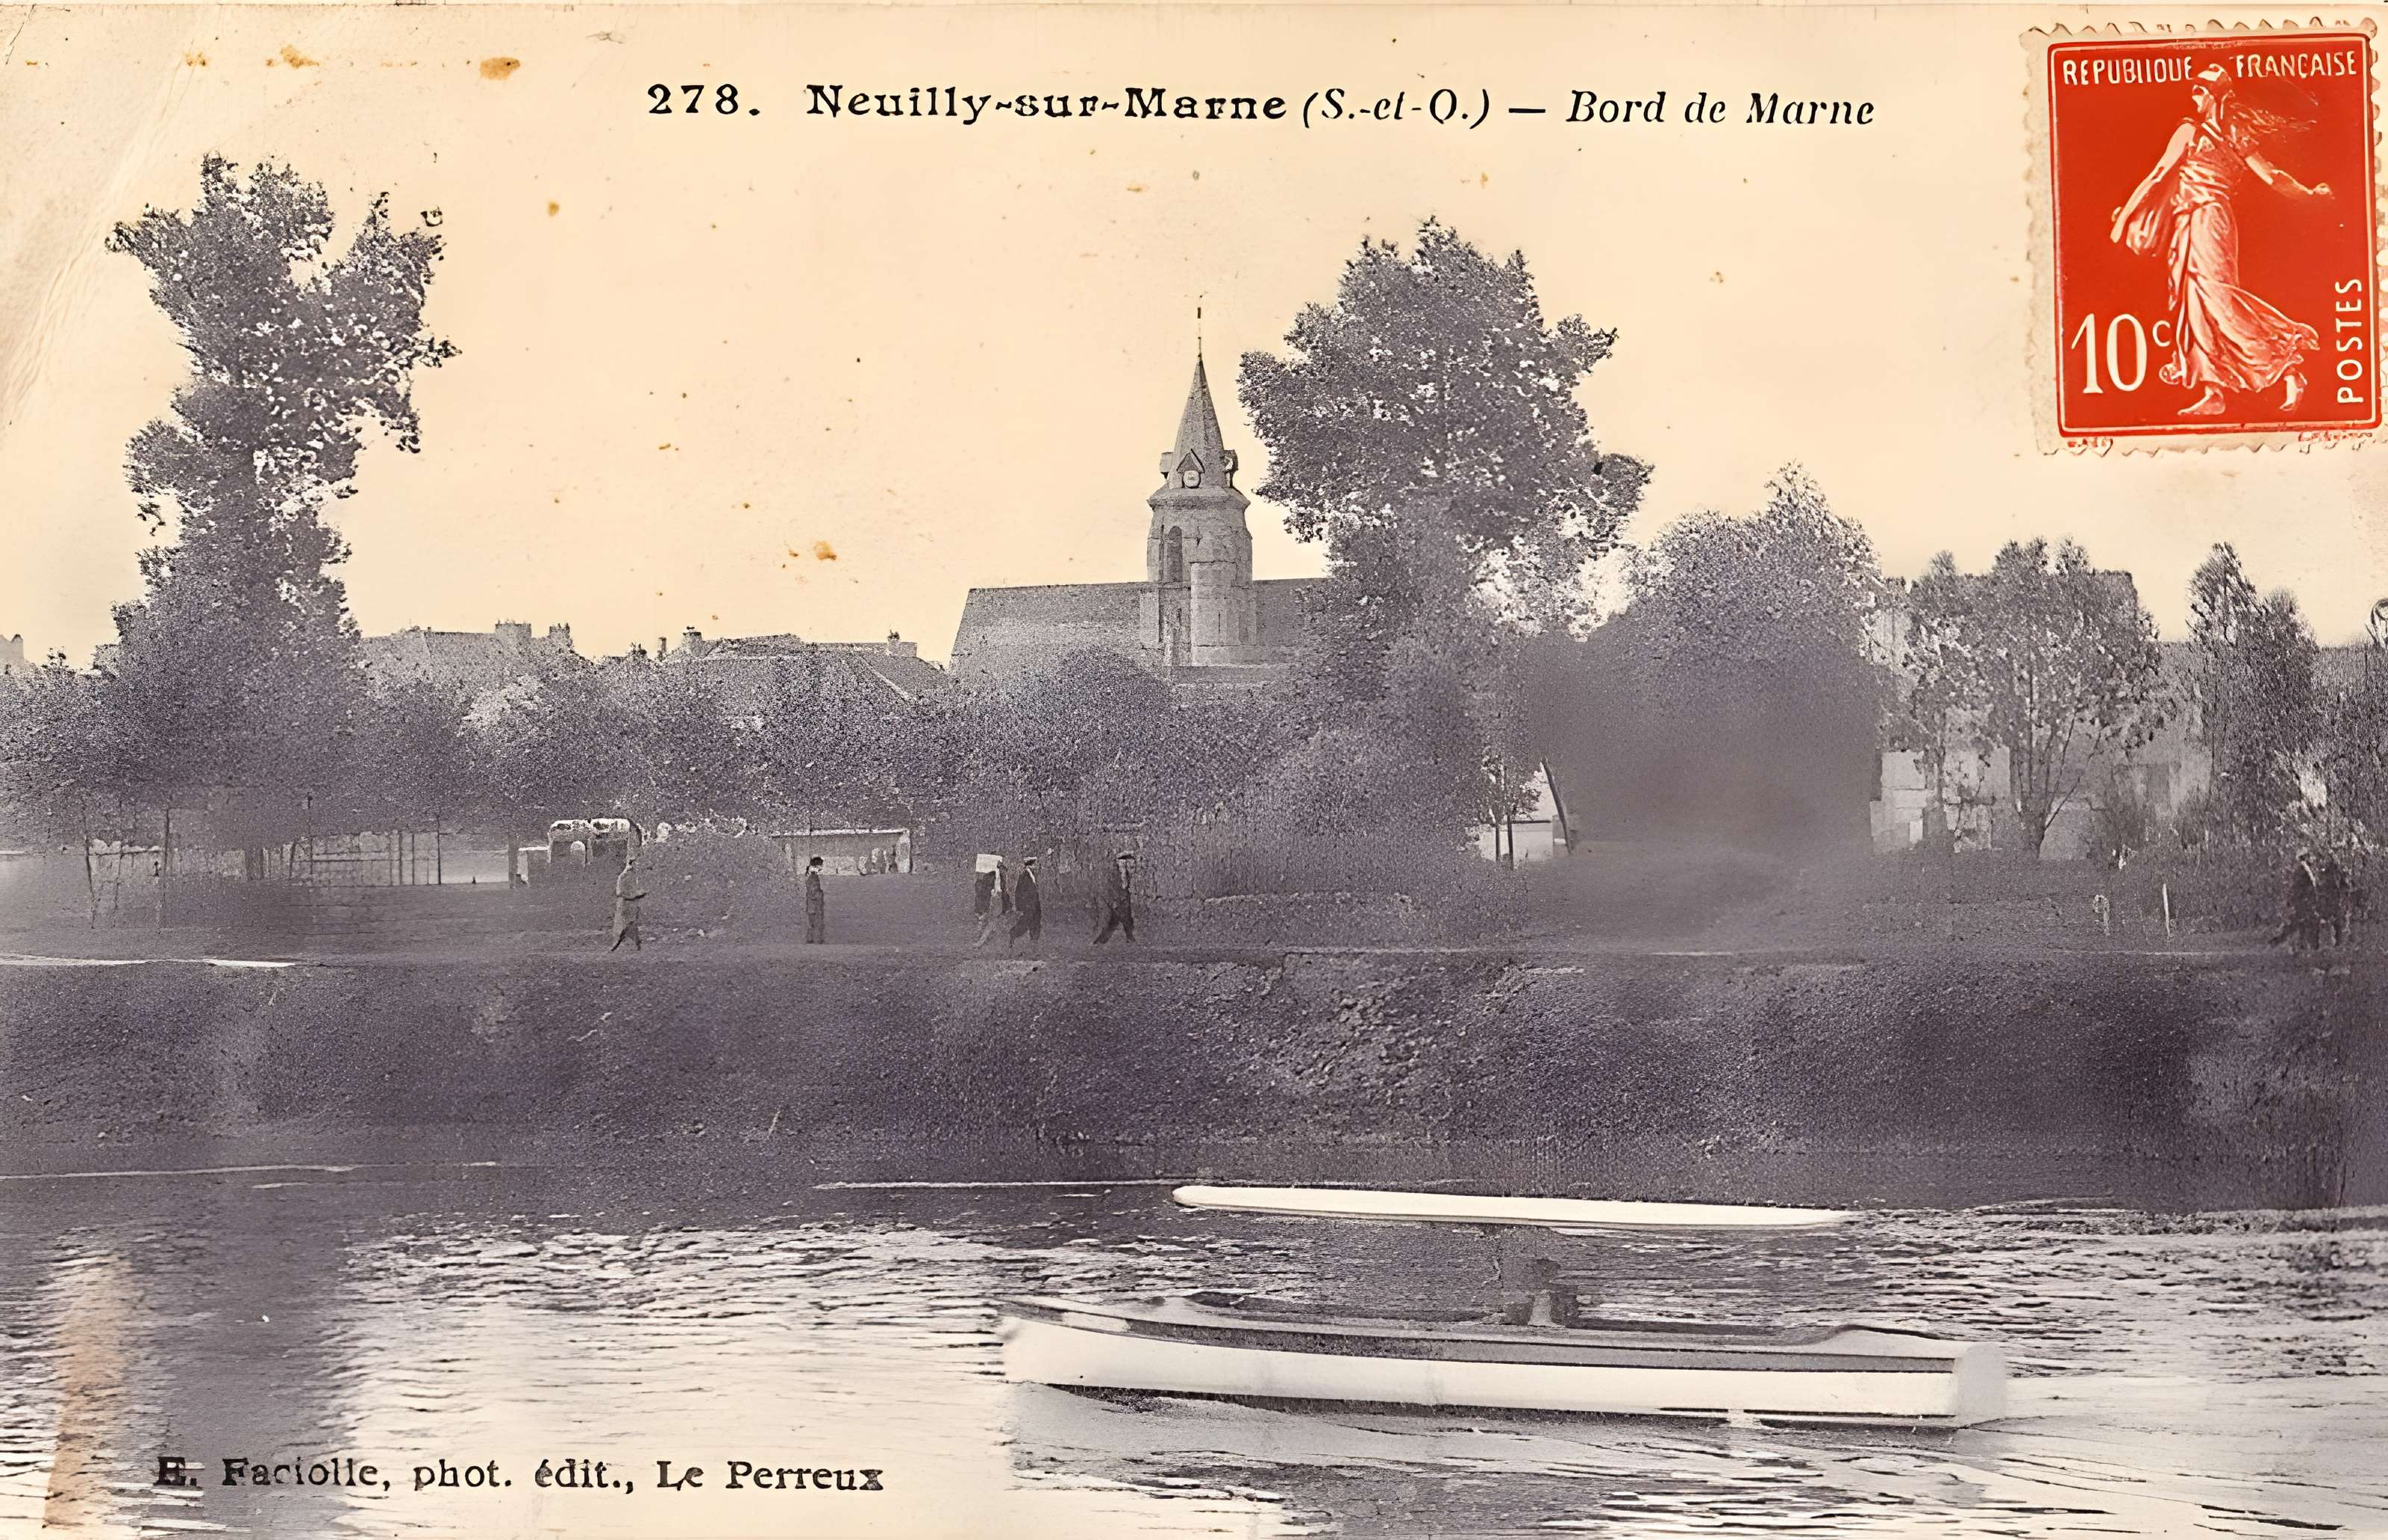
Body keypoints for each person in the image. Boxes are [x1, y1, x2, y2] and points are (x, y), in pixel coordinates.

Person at [2109, 64, 2333, 418]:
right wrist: (2309, 195)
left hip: (2209, 218)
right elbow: (2160, 176)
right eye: (2195, 89)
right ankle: (2214, 392)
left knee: (2218, 299)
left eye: (2202, 90)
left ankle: (2288, 363)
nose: (2195, 96)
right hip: (2189, 221)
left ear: (2220, 96)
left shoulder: (2214, 133)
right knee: (2194, 304)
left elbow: (2272, 177)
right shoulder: (2208, 131)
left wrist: (2309, 195)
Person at [2271, 851, 2322, 953]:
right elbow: (2300, 888)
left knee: (2301, 924)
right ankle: (2310, 946)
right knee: (2304, 923)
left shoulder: (2304, 870)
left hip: (2305, 902)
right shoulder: (2302, 871)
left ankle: (2304, 946)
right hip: (2304, 903)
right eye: (2309, 856)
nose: (2312, 859)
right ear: (2305, 858)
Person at [1095, 852, 1136, 944]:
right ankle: (1130, 938)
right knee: (1122, 920)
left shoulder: (1125, 875)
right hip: (1119, 901)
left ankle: (1102, 940)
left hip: (1123, 901)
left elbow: (1126, 887)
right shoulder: (1116, 876)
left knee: (1117, 921)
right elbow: (1115, 888)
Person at [609, 856, 646, 952]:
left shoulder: (634, 877)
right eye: (635, 863)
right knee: (625, 925)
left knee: (631, 924)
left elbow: (636, 890)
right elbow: (620, 892)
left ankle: (635, 943)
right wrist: (634, 895)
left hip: (632, 904)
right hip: (624, 904)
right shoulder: (623, 876)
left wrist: (638, 894)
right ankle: (617, 944)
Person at [972, 857, 1010, 948]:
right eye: (999, 865)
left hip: (998, 899)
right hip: (994, 899)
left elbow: (1004, 891)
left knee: (994, 921)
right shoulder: (990, 876)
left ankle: (984, 941)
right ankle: (981, 941)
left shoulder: (1002, 877)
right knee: (992, 921)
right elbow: (983, 891)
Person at [1008, 857, 1043, 950]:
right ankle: (1013, 935)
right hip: (1028, 904)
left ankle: (1034, 940)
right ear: (1031, 865)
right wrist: (1021, 905)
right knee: (1025, 922)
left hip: (1034, 903)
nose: (1036, 866)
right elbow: (1019, 892)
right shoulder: (1024, 875)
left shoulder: (1032, 874)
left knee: (1036, 921)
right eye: (1035, 864)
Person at [804, 855, 827, 945]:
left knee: (812, 920)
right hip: (815, 901)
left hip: (812, 901)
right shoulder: (813, 872)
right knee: (816, 919)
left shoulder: (811, 872)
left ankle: (813, 938)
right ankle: (816, 939)